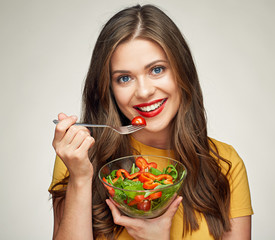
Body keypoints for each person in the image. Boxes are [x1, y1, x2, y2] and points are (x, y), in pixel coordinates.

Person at [49, 4, 253, 240]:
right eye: (124, 78)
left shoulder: (225, 164)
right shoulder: (80, 156)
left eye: (157, 69)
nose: (144, 91)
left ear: (181, 72)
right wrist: (81, 178)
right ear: (109, 88)